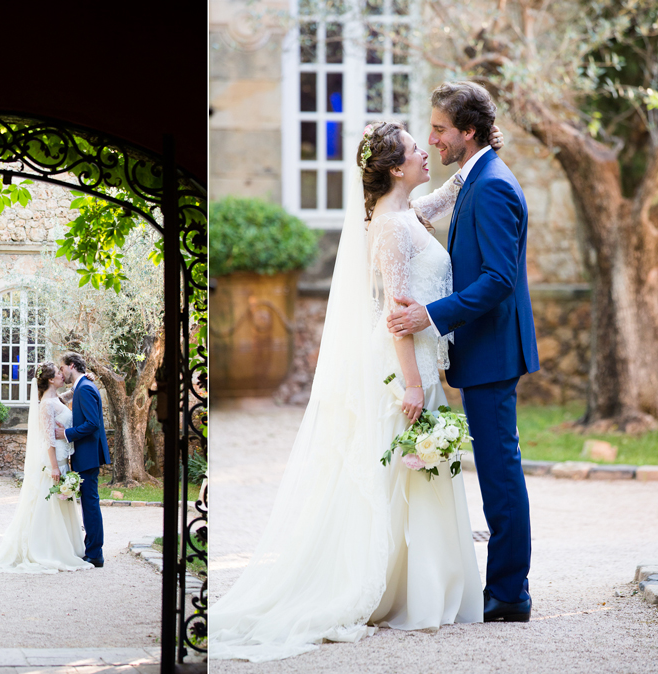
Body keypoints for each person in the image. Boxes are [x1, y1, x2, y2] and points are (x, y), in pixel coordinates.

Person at [208, 119, 506, 662]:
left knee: (416, 475)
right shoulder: (390, 227)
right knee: (400, 472)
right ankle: (403, 591)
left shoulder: (404, 213)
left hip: (419, 360)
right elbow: (395, 313)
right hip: (402, 367)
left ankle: (426, 588)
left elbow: (443, 196)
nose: (425, 153)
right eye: (418, 149)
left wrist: (477, 155)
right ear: (396, 168)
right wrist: (413, 386)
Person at [387, 81, 539, 623]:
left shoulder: (494, 185)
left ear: (467, 132)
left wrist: (431, 314)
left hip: (494, 352)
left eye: (440, 129)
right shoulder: (475, 177)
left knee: (500, 473)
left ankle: (509, 593)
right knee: (499, 470)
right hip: (483, 351)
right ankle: (505, 586)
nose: (432, 137)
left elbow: (498, 279)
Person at [0, 362, 92, 573]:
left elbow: (64, 400)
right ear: (51, 380)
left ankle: (64, 546)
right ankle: (46, 549)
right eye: (59, 374)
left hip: (64, 460)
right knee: (49, 508)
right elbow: (49, 441)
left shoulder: (55, 398)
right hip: (55, 464)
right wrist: (54, 467)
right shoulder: (45, 404)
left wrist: (80, 383)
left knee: (59, 507)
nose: (63, 375)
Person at [55, 352, 111, 568]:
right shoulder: (81, 386)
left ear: (71, 366)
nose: (61, 372)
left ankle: (95, 553)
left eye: (62, 368)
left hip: (87, 455)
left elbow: (91, 424)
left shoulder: (85, 388)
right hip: (84, 455)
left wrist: (66, 434)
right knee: (89, 504)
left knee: (90, 504)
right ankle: (92, 549)